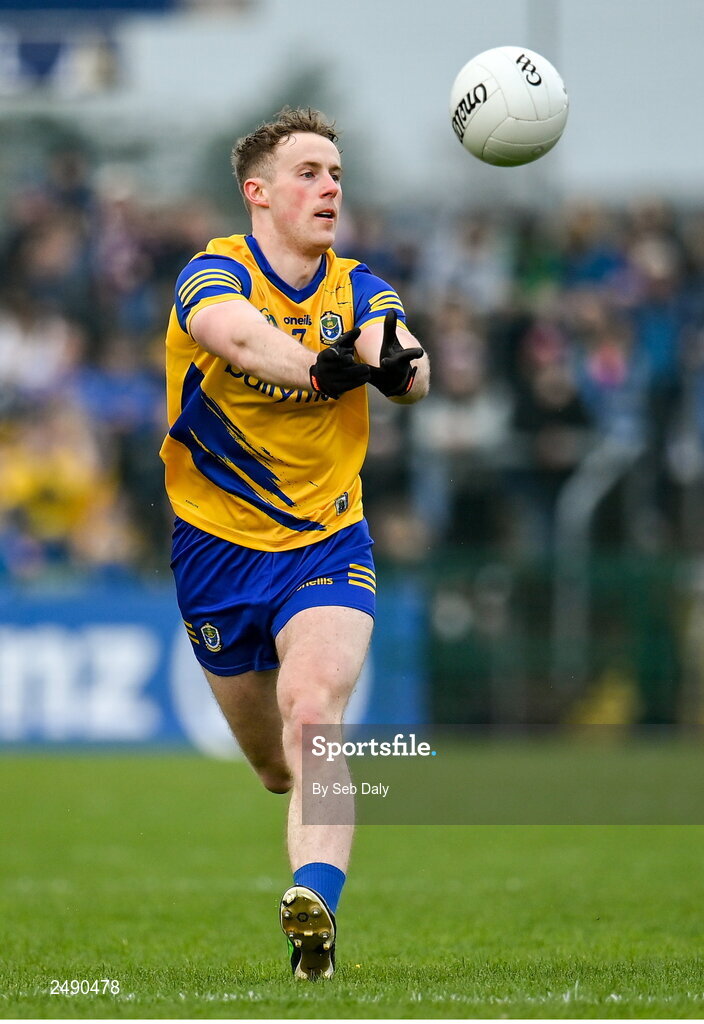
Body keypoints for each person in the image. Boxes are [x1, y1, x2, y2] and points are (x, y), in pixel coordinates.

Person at [160, 107, 429, 980]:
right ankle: (301, 834)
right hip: (215, 549)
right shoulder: (213, 272)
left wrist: (395, 363)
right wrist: (322, 368)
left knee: (314, 714)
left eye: (337, 175)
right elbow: (237, 338)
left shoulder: (359, 286)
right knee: (277, 768)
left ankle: (315, 907)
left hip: (326, 540)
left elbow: (405, 360)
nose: (329, 188)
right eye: (310, 172)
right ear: (259, 192)